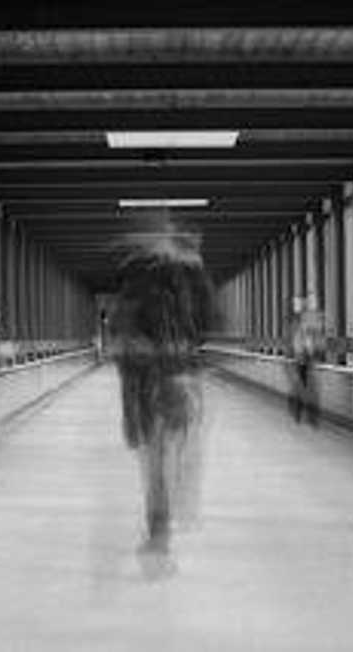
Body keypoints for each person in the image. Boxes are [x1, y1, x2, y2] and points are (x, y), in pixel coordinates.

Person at [111, 217, 215, 555]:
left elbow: (122, 338)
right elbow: (206, 325)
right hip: (170, 380)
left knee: (158, 458)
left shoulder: (142, 284)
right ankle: (165, 518)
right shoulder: (181, 282)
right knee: (170, 453)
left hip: (153, 384)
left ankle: (160, 523)